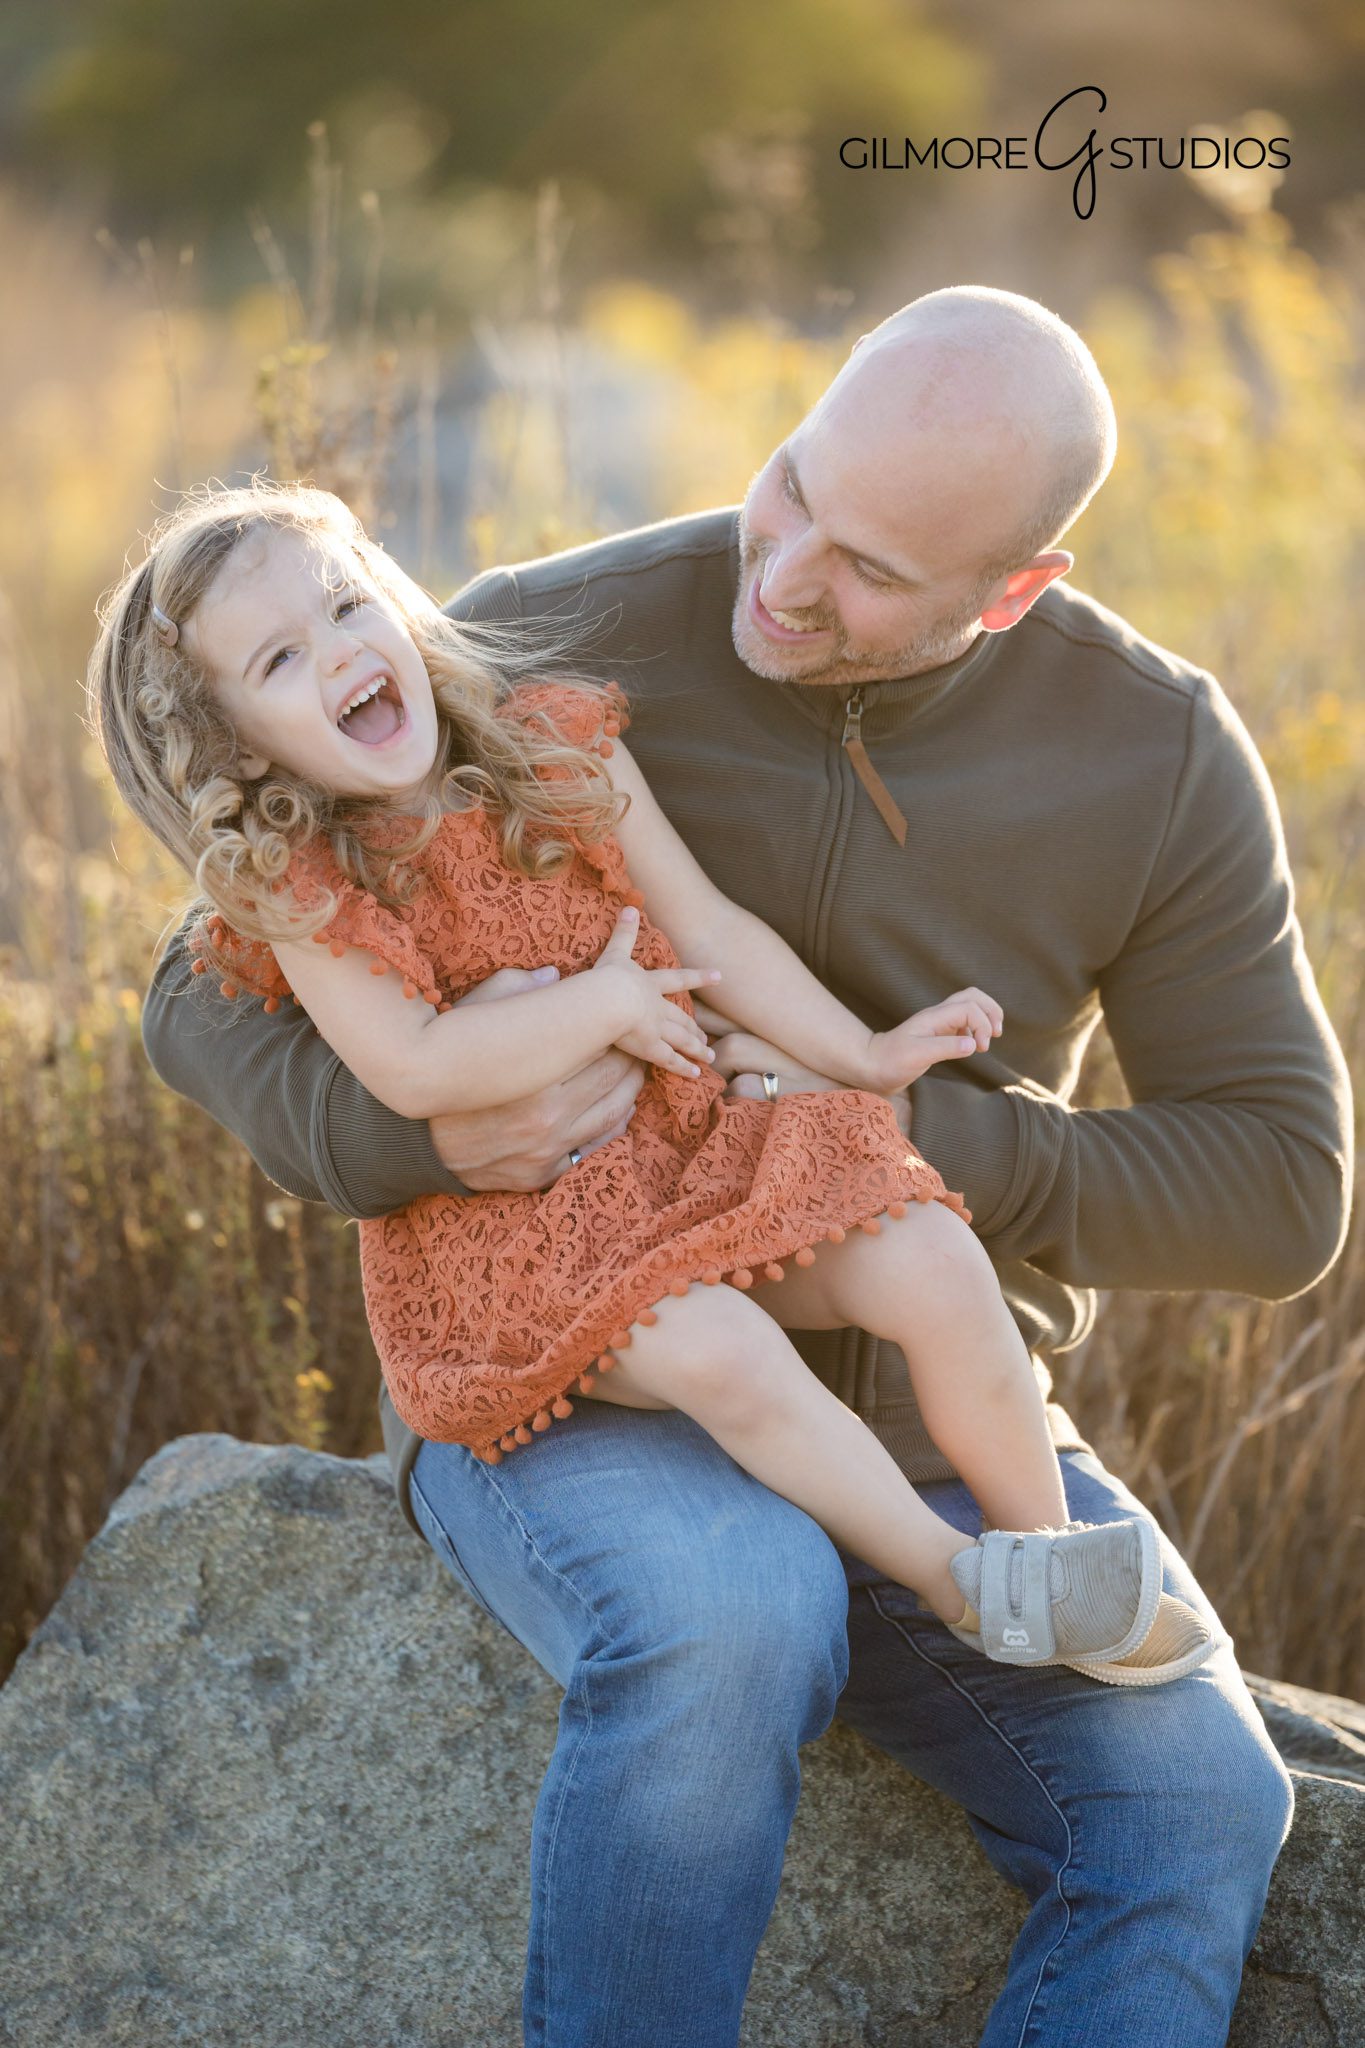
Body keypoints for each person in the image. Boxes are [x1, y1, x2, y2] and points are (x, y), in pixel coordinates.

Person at [134, 287, 1353, 2047]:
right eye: (790, 486)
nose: (781, 575)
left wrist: (885, 1127)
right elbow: (198, 973)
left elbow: (1280, 1186)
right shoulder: (545, 632)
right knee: (736, 1608)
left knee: (1197, 1801)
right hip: (580, 1371)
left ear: (1014, 590)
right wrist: (423, 1126)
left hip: (919, 1370)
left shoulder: (1154, 754)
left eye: (866, 570)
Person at [88, 475, 1216, 1682]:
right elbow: (413, 1066)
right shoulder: (306, 888)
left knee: (933, 1251)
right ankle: (957, 1583)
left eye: (349, 604)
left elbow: (710, 928)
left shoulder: (551, 749)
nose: (340, 652)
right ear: (237, 745)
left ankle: (1041, 1555)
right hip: (524, 1244)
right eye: (277, 659)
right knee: (724, 1345)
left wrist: (866, 1054)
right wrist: (606, 1002)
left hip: (689, 1153)